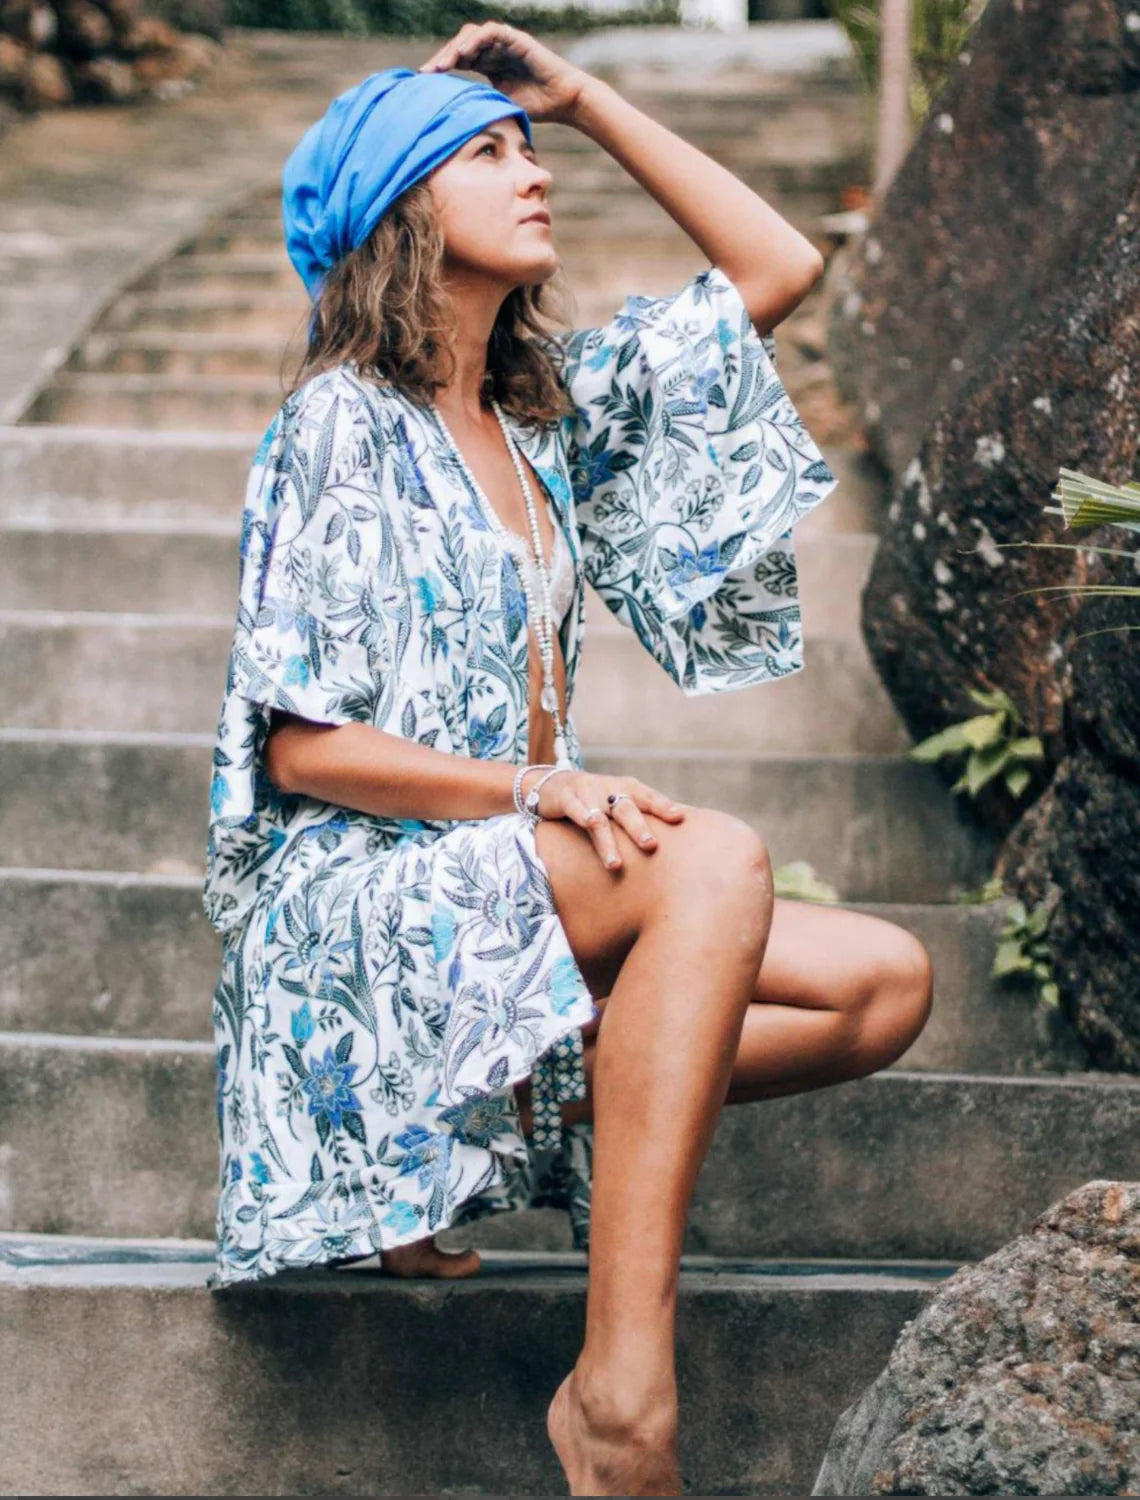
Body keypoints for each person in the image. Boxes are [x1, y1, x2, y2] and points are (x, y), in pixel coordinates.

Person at [202, 23, 934, 1496]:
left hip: (509, 889)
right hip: (355, 912)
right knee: (714, 862)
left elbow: (779, 264)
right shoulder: (339, 425)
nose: (532, 172)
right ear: (401, 208)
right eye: (485, 153)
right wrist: (538, 787)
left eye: (529, 149)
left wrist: (586, 98)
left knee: (883, 983)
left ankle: (471, 1126)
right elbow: (302, 746)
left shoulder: (547, 423)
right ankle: (618, 1390)